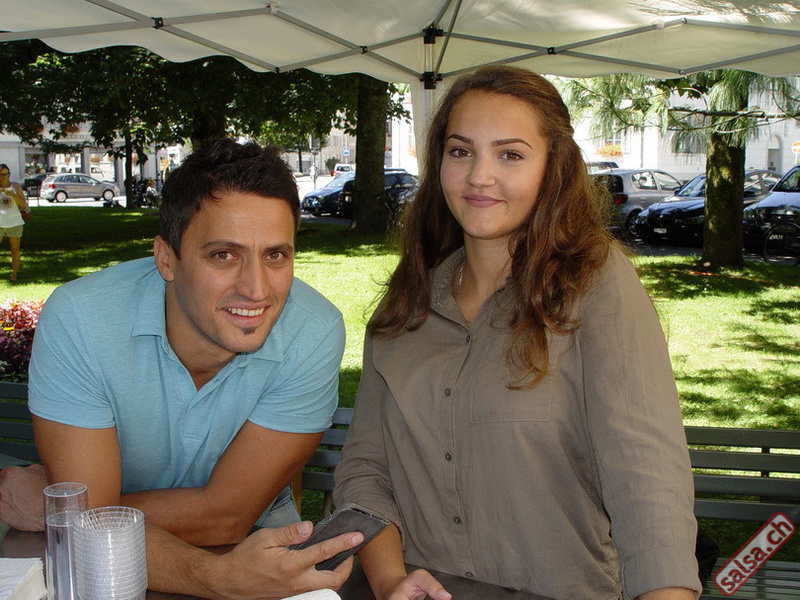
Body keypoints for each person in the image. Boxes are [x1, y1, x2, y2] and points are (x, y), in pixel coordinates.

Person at [334, 66, 700, 600]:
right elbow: (365, 468)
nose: (479, 176)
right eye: (461, 151)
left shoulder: (595, 284)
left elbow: (646, 475)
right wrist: (391, 580)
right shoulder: (406, 304)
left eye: (510, 154)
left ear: (553, 168)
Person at [0, 139, 363, 599]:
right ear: (166, 258)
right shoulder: (82, 319)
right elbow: (90, 534)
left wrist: (65, 513)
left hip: (259, 550)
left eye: (275, 255)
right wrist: (215, 577)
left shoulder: (312, 331)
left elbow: (227, 516)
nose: (256, 290)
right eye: (224, 255)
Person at [0, 164, 32, 282]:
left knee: (15, 249)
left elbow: (23, 204)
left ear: (9, 174)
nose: (3, 177)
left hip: (15, 221)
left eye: (5, 174)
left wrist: (13, 195)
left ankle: (14, 274)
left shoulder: (15, 186)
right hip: (0, 222)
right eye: (1, 174)